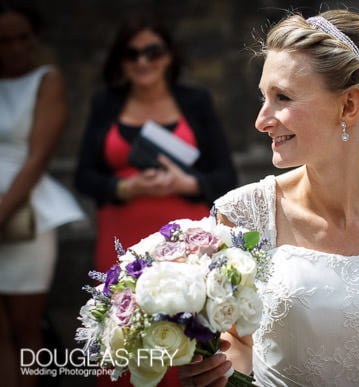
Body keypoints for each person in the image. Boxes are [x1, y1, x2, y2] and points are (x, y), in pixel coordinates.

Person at [179, 9, 359, 387]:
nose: (262, 120)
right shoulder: (244, 215)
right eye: (264, 97)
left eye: (283, 97)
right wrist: (218, 371)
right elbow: (239, 343)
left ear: (348, 106)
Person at [74, 12, 238, 387]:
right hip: (121, 236)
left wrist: (187, 182)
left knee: (191, 333)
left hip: (186, 240)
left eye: (153, 51)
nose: (143, 61)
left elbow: (225, 176)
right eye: (132, 54)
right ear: (121, 60)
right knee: (124, 330)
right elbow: (84, 175)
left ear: (168, 56)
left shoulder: (195, 102)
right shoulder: (106, 104)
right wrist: (124, 188)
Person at [0, 3, 85, 387]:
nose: (15, 47)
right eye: (4, 40)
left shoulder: (46, 80)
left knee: (25, 328)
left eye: (23, 37)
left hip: (25, 215)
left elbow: (37, 158)